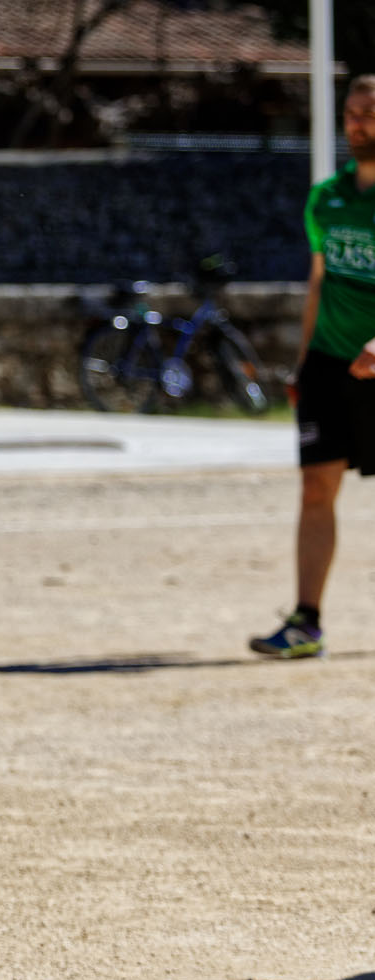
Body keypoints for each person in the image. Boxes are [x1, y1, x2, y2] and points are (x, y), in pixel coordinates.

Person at [250, 74, 375, 659]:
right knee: (316, 487)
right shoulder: (326, 196)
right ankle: (306, 623)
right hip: (329, 363)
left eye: (369, 113)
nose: (357, 123)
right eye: (351, 113)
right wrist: (303, 365)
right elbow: (319, 282)